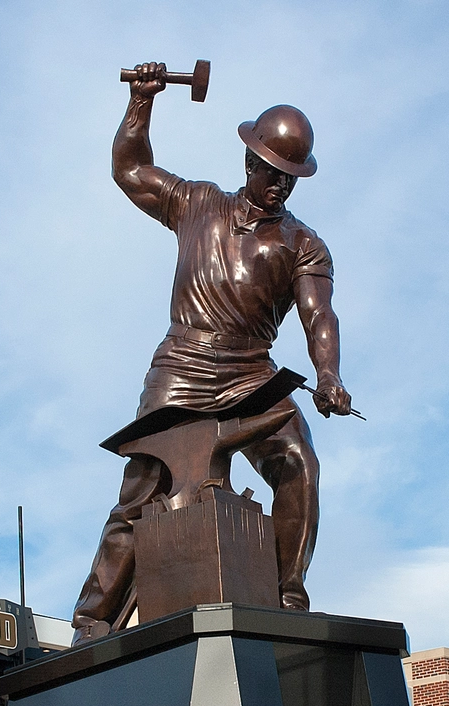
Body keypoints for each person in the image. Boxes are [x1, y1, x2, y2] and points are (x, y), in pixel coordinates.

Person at [70, 62, 353, 645]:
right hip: (182, 365)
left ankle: (288, 595)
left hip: (252, 376)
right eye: (272, 171)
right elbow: (130, 169)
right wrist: (142, 103)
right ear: (249, 162)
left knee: (298, 464)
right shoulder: (196, 203)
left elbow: (318, 314)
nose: (279, 185)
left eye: (291, 177)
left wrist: (328, 374)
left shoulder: (304, 245)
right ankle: (93, 615)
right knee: (146, 483)